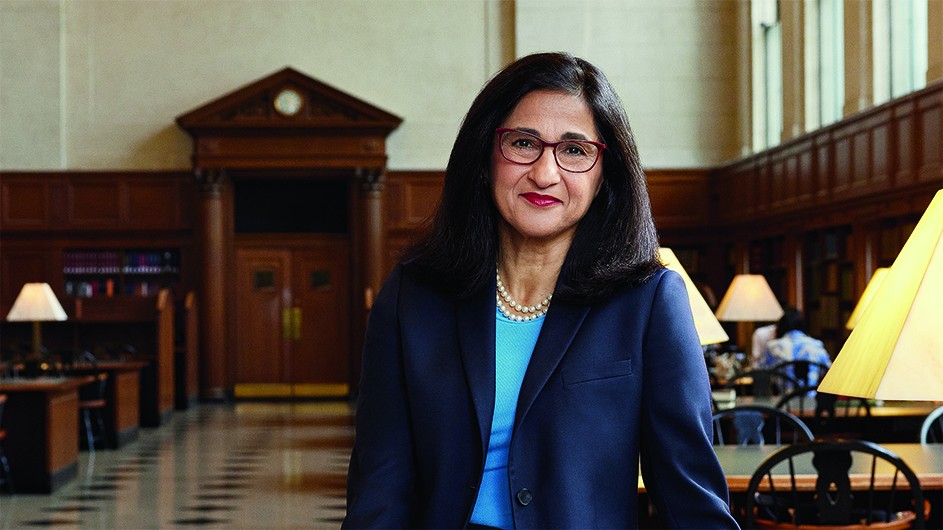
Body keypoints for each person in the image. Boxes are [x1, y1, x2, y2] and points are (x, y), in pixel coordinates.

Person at [343, 52, 738, 529]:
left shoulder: (650, 301)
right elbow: (379, 490)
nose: (545, 174)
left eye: (574, 151)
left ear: (603, 175)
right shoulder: (413, 295)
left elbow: (689, 496)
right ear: (485, 157)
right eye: (523, 143)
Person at [758, 307, 832, 388]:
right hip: (811, 398)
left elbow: (761, 372)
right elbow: (829, 372)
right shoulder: (816, 345)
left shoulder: (773, 346)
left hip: (784, 398)